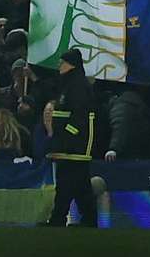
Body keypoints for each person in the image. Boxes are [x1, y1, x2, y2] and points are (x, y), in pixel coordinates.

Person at [43, 85, 104, 228]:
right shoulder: (42, 132)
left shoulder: (76, 93)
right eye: (46, 112)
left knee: (69, 184)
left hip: (74, 151)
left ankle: (59, 218)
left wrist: (63, 135)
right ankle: (87, 218)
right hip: (70, 152)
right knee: (80, 186)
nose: (48, 115)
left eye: (51, 112)